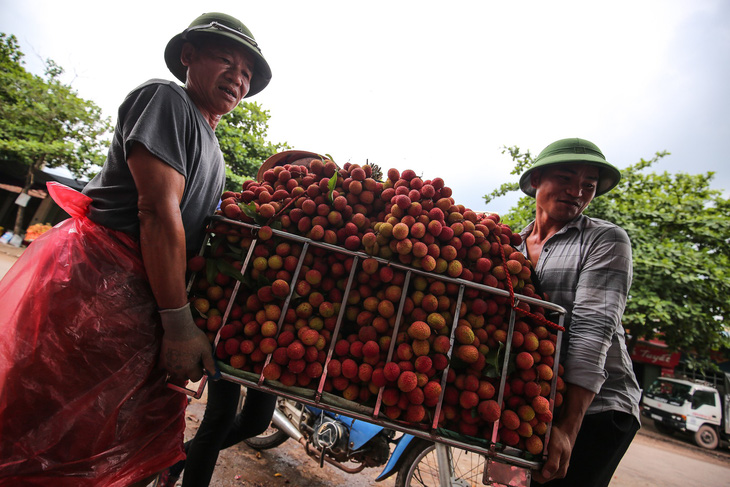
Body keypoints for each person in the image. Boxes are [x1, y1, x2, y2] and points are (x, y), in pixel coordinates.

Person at [0, 12, 271, 486]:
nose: (238, 78)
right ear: (188, 56)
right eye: (226, 60)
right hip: (94, 298)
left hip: (134, 310)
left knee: (100, 445)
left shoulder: (216, 150)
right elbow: (156, 212)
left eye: (247, 72)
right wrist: (178, 323)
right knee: (42, 431)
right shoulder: (166, 99)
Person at [516, 138, 642, 486]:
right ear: (537, 179)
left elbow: (592, 331)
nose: (578, 191)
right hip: (541, 402)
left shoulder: (605, 240)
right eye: (567, 178)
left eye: (588, 185)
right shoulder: (511, 245)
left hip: (597, 410)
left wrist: (568, 428)